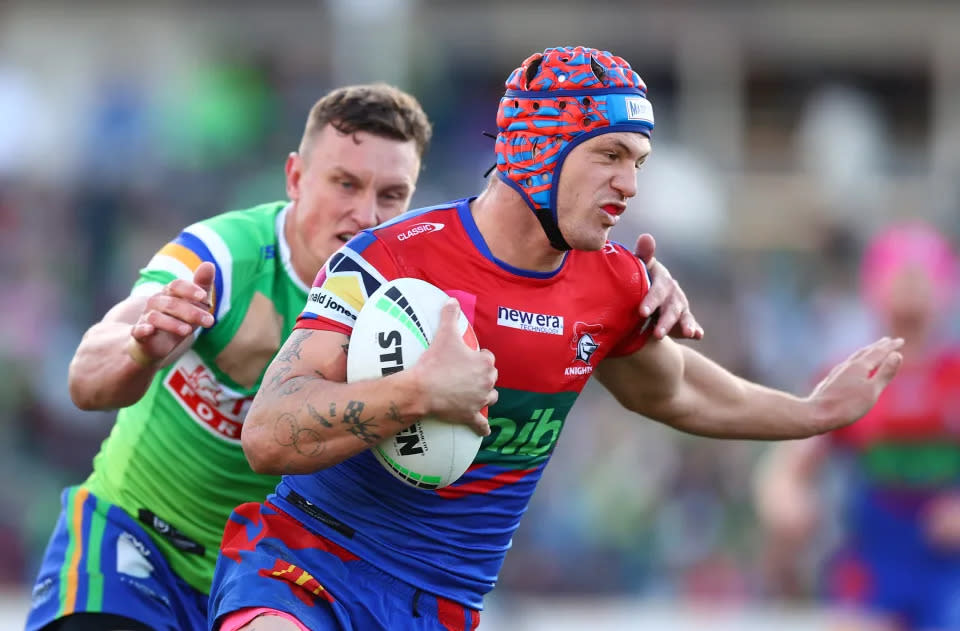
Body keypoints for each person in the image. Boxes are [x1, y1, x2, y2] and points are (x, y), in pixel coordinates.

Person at [206, 46, 904, 631]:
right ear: (540, 145)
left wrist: (810, 410)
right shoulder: (390, 257)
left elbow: (680, 389)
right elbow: (268, 431)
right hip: (306, 571)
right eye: (609, 155)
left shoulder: (614, 285)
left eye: (638, 161)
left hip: (442, 607)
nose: (630, 184)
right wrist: (416, 391)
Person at [25, 80, 697, 631]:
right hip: (142, 551)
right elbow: (87, 377)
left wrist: (638, 282)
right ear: (294, 175)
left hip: (278, 578)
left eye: (391, 195)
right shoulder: (222, 260)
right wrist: (143, 349)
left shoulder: (416, 287)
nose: (365, 214)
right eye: (344, 184)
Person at [755, 222, 960, 631]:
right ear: (874, 285)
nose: (911, 287)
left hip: (948, 567)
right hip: (872, 562)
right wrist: (785, 502)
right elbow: (789, 464)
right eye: (900, 274)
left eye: (922, 276)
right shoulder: (848, 374)